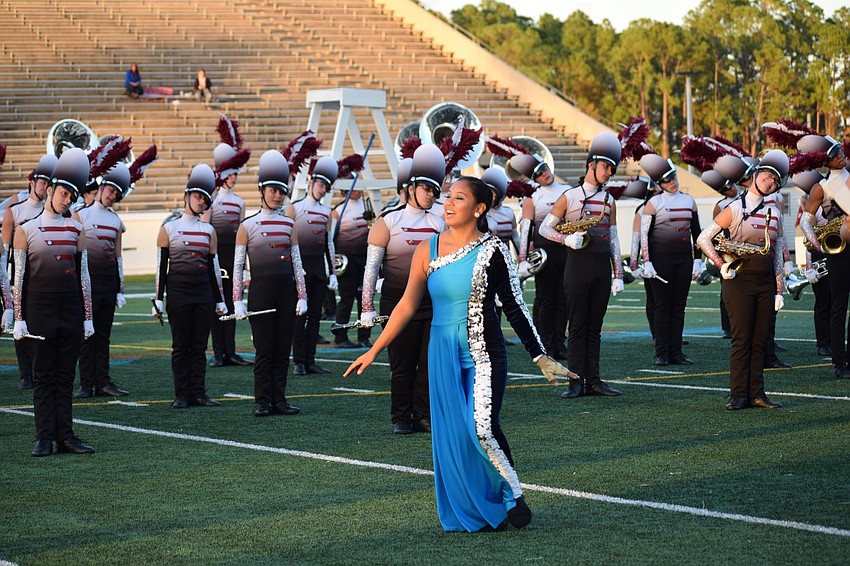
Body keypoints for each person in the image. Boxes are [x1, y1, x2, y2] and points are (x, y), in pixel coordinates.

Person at [345, 175, 576, 532]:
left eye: (459, 198)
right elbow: (406, 305)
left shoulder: (494, 249)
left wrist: (540, 356)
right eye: (448, 197)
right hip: (442, 353)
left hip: (485, 352)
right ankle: (478, 506)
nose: (449, 203)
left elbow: (515, 306)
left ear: (479, 208)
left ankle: (513, 494)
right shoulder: (427, 248)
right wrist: (374, 349)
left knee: (482, 427)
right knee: (454, 434)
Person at [12, 148, 96, 456]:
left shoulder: (77, 229)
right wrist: (18, 317)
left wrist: (88, 318)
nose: (66, 201)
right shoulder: (25, 230)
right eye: (63, 194)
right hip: (39, 312)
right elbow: (19, 278)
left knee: (65, 376)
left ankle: (66, 437)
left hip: (70, 312)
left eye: (71, 197)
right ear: (49, 190)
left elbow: (84, 277)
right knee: (44, 377)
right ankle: (44, 438)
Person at [359, 145, 445, 434]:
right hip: (397, 302)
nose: (431, 194)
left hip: (431, 304)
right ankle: (401, 417)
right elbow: (371, 268)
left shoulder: (439, 223)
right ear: (410, 188)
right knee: (402, 364)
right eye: (426, 188)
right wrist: (367, 308)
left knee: (428, 363)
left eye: (435, 190)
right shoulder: (388, 221)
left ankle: (422, 415)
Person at [697, 149, 788, 410]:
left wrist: (779, 290)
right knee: (741, 340)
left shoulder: (775, 212)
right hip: (738, 280)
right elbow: (703, 238)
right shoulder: (734, 208)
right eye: (767, 175)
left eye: (775, 180)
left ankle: (757, 394)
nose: (770, 181)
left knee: (761, 341)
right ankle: (738, 394)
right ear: (756, 175)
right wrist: (721, 264)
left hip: (765, 283)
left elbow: (777, 252)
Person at [538, 131, 625, 398]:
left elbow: (613, 238)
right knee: (577, 326)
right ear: (591, 164)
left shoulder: (610, 200)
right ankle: (575, 382)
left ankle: (594, 381)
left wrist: (618, 273)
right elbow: (544, 228)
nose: (609, 173)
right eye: (606, 167)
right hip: (577, 267)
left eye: (612, 169)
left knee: (594, 328)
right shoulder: (570, 196)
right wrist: (566, 239)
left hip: (601, 267)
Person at [231, 150, 305, 416]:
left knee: (283, 348)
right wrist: (237, 300)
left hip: (286, 291)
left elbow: (297, 264)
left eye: (281, 191)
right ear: (261, 191)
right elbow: (238, 266)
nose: (277, 196)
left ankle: (279, 399)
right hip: (260, 290)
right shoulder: (247, 226)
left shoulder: (289, 224)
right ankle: (262, 401)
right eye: (273, 190)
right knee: (264, 349)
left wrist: (302, 296)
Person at [153, 164, 228, 408]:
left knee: (199, 347)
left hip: (203, 294)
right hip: (178, 294)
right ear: (186, 195)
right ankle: (181, 394)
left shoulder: (209, 230)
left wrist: (220, 299)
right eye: (197, 196)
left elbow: (214, 268)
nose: (200, 201)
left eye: (205, 199)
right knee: (180, 347)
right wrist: (158, 298)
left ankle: (198, 393)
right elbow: (161, 267)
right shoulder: (169, 228)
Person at [73, 164, 131, 398]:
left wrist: (120, 289)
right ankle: (86, 384)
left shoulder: (116, 220)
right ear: (101, 187)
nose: (113, 195)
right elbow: (73, 254)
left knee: (103, 336)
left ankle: (103, 383)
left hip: (108, 284)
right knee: (87, 334)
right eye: (110, 190)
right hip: (87, 283)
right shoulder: (81, 215)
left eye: (117, 193)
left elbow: (118, 257)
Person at [639, 154, 702, 366]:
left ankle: (676, 352)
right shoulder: (653, 203)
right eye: (666, 180)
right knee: (663, 306)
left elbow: (697, 233)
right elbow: (645, 235)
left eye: (673, 177)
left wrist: (698, 260)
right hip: (660, 261)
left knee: (679, 306)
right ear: (659, 183)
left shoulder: (689, 201)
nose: (672, 182)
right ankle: (662, 353)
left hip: (683, 260)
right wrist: (647, 261)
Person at [797, 134, 850, 378]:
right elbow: (805, 221)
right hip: (839, 249)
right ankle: (840, 361)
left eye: (839, 150)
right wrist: (818, 244)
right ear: (824, 162)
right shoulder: (821, 187)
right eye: (834, 155)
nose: (840, 155)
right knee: (838, 306)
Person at [2, 154, 55, 390]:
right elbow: (5, 250)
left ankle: (40, 368)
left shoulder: (51, 211)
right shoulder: (15, 210)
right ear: (32, 182)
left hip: (43, 276)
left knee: (42, 323)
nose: (44, 187)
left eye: (48, 183)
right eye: (41, 182)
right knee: (20, 324)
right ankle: (26, 373)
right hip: (19, 275)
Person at [512, 153, 569, 360]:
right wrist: (523, 259)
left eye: (544, 168)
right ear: (534, 179)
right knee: (546, 299)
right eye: (538, 174)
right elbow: (526, 228)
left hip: (566, 249)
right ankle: (546, 344)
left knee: (563, 299)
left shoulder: (567, 190)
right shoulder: (532, 196)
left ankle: (559, 343)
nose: (544, 174)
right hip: (545, 253)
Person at [205, 143, 252, 368]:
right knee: (218, 303)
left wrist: (244, 267)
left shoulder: (240, 202)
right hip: (215, 257)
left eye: (236, 174)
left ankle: (231, 352)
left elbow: (242, 236)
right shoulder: (211, 199)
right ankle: (218, 353)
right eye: (230, 174)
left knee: (233, 304)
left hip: (233, 257)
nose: (233, 178)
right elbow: (205, 231)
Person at [291, 156, 339, 375]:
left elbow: (329, 242)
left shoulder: (326, 212)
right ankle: (298, 361)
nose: (323, 189)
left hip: (319, 269)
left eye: (326, 187)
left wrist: (332, 272)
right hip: (300, 268)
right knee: (299, 316)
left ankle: (310, 360)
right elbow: (288, 242)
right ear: (310, 182)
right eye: (320, 185)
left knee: (315, 316)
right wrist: (293, 268)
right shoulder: (294, 208)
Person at [791, 170, 831, 357]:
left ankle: (835, 341)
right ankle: (823, 343)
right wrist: (809, 268)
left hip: (838, 255)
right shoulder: (815, 209)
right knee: (823, 303)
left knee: (836, 304)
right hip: (819, 255)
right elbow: (808, 240)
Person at [331, 183, 373, 348]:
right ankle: (340, 337)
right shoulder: (338, 210)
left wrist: (373, 219)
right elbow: (331, 237)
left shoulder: (368, 204)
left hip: (365, 258)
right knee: (347, 298)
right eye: (353, 188)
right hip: (347, 260)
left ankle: (364, 336)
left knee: (365, 299)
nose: (357, 190)